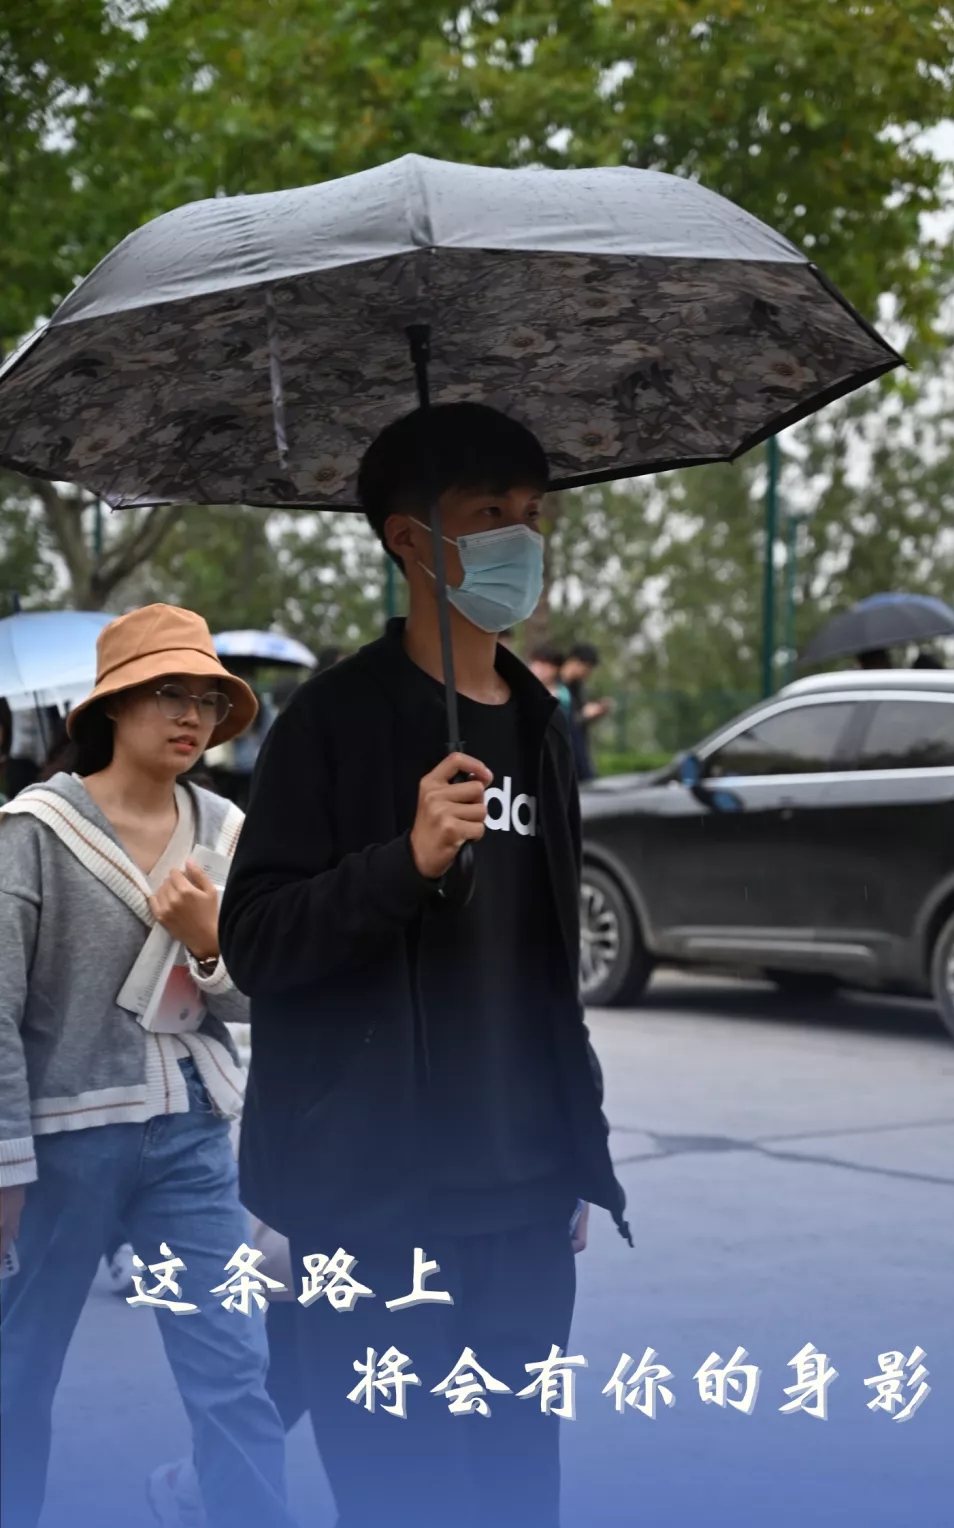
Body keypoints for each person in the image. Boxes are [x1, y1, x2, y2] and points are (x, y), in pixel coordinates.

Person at [219, 401, 629, 1528]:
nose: (522, 539)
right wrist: (400, 862)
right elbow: (255, 941)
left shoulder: (543, 728)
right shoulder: (329, 723)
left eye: (533, 514)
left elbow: (548, 968)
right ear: (411, 539)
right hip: (369, 1204)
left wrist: (574, 1144)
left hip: (525, 1196)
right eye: (490, 512)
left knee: (518, 1488)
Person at [0, 604, 296, 1528]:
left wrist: (209, 945)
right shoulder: (34, 831)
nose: (191, 716)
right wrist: (4, 1165)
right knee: (17, 1376)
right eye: (168, 692)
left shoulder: (226, 829)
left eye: (206, 698)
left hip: (193, 1143)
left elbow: (258, 998)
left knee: (236, 1373)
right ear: (113, 706)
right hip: (59, 1149)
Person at [560, 642, 610, 782]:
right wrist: (583, 715)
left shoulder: (577, 687)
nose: (587, 673)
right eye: (586, 667)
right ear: (574, 662)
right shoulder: (555, 686)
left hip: (578, 752)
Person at [529, 643, 571, 715]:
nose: (539, 670)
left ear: (556, 670)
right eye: (536, 664)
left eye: (545, 667)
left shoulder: (562, 696)